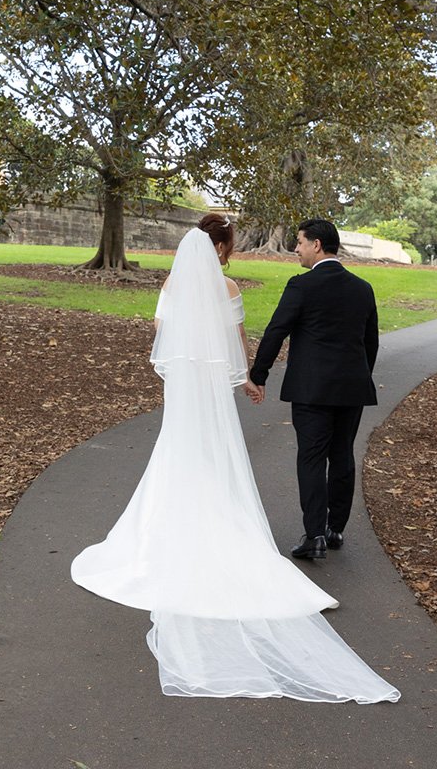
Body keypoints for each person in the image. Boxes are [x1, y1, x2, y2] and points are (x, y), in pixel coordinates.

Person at [71, 214, 398, 702]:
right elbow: (245, 340)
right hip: (329, 386)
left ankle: (300, 532)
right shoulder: (241, 289)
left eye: (301, 243)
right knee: (333, 455)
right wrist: (248, 376)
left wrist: (249, 371)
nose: (297, 250)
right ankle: (329, 528)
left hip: (190, 388)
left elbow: (166, 330)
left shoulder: (176, 285)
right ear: (220, 246)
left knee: (197, 451)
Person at [248, 218, 378, 561]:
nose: (296, 249)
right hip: (352, 389)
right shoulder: (362, 288)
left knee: (311, 457)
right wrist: (359, 377)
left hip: (311, 390)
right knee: (342, 455)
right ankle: (336, 529)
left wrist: (258, 375)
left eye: (300, 242)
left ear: (317, 245)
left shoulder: (301, 286)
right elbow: (371, 343)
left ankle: (315, 535)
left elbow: (276, 331)